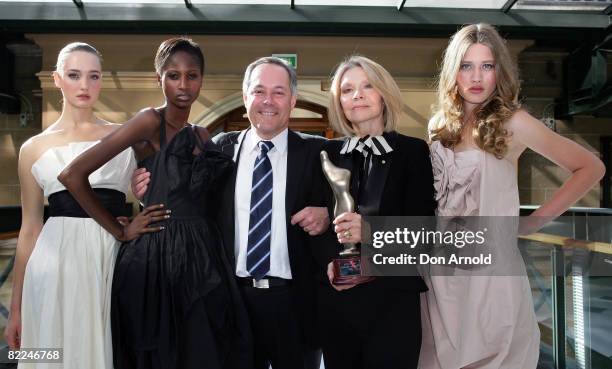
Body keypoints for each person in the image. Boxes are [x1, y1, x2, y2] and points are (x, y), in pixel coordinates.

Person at [420, 23, 606, 369]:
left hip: (491, 277)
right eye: (466, 66)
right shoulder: (438, 125)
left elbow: (590, 168)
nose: (477, 77)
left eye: (487, 66)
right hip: (440, 274)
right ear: (453, 72)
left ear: (499, 72)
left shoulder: (514, 122)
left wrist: (534, 221)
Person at [58, 37, 251, 369]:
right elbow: (73, 175)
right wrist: (119, 230)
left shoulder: (203, 135)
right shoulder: (149, 121)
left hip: (205, 257)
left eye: (192, 75)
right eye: (173, 75)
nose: (183, 84)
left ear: (202, 79)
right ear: (158, 79)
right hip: (156, 258)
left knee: (206, 353)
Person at [133, 56, 328, 369]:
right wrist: (146, 192)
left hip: (294, 304)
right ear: (245, 96)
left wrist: (327, 214)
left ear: (292, 100)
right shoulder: (217, 149)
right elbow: (186, 202)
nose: (268, 101)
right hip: (230, 300)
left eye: (278, 92)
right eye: (259, 91)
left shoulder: (319, 152)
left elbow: (354, 202)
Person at [3, 42, 145, 369]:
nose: (84, 85)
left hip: (111, 258)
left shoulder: (125, 137)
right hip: (53, 266)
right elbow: (30, 230)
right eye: (74, 75)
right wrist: (16, 309)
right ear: (57, 79)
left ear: (101, 80)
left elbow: (145, 197)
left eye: (93, 76)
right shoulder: (33, 148)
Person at [313, 55, 436, 369]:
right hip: (338, 305)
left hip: (393, 303)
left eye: (368, 86)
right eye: (347, 89)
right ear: (338, 101)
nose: (357, 95)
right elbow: (323, 228)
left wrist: (369, 231)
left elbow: (426, 234)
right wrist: (330, 263)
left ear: (384, 94)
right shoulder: (327, 154)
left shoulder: (413, 151)